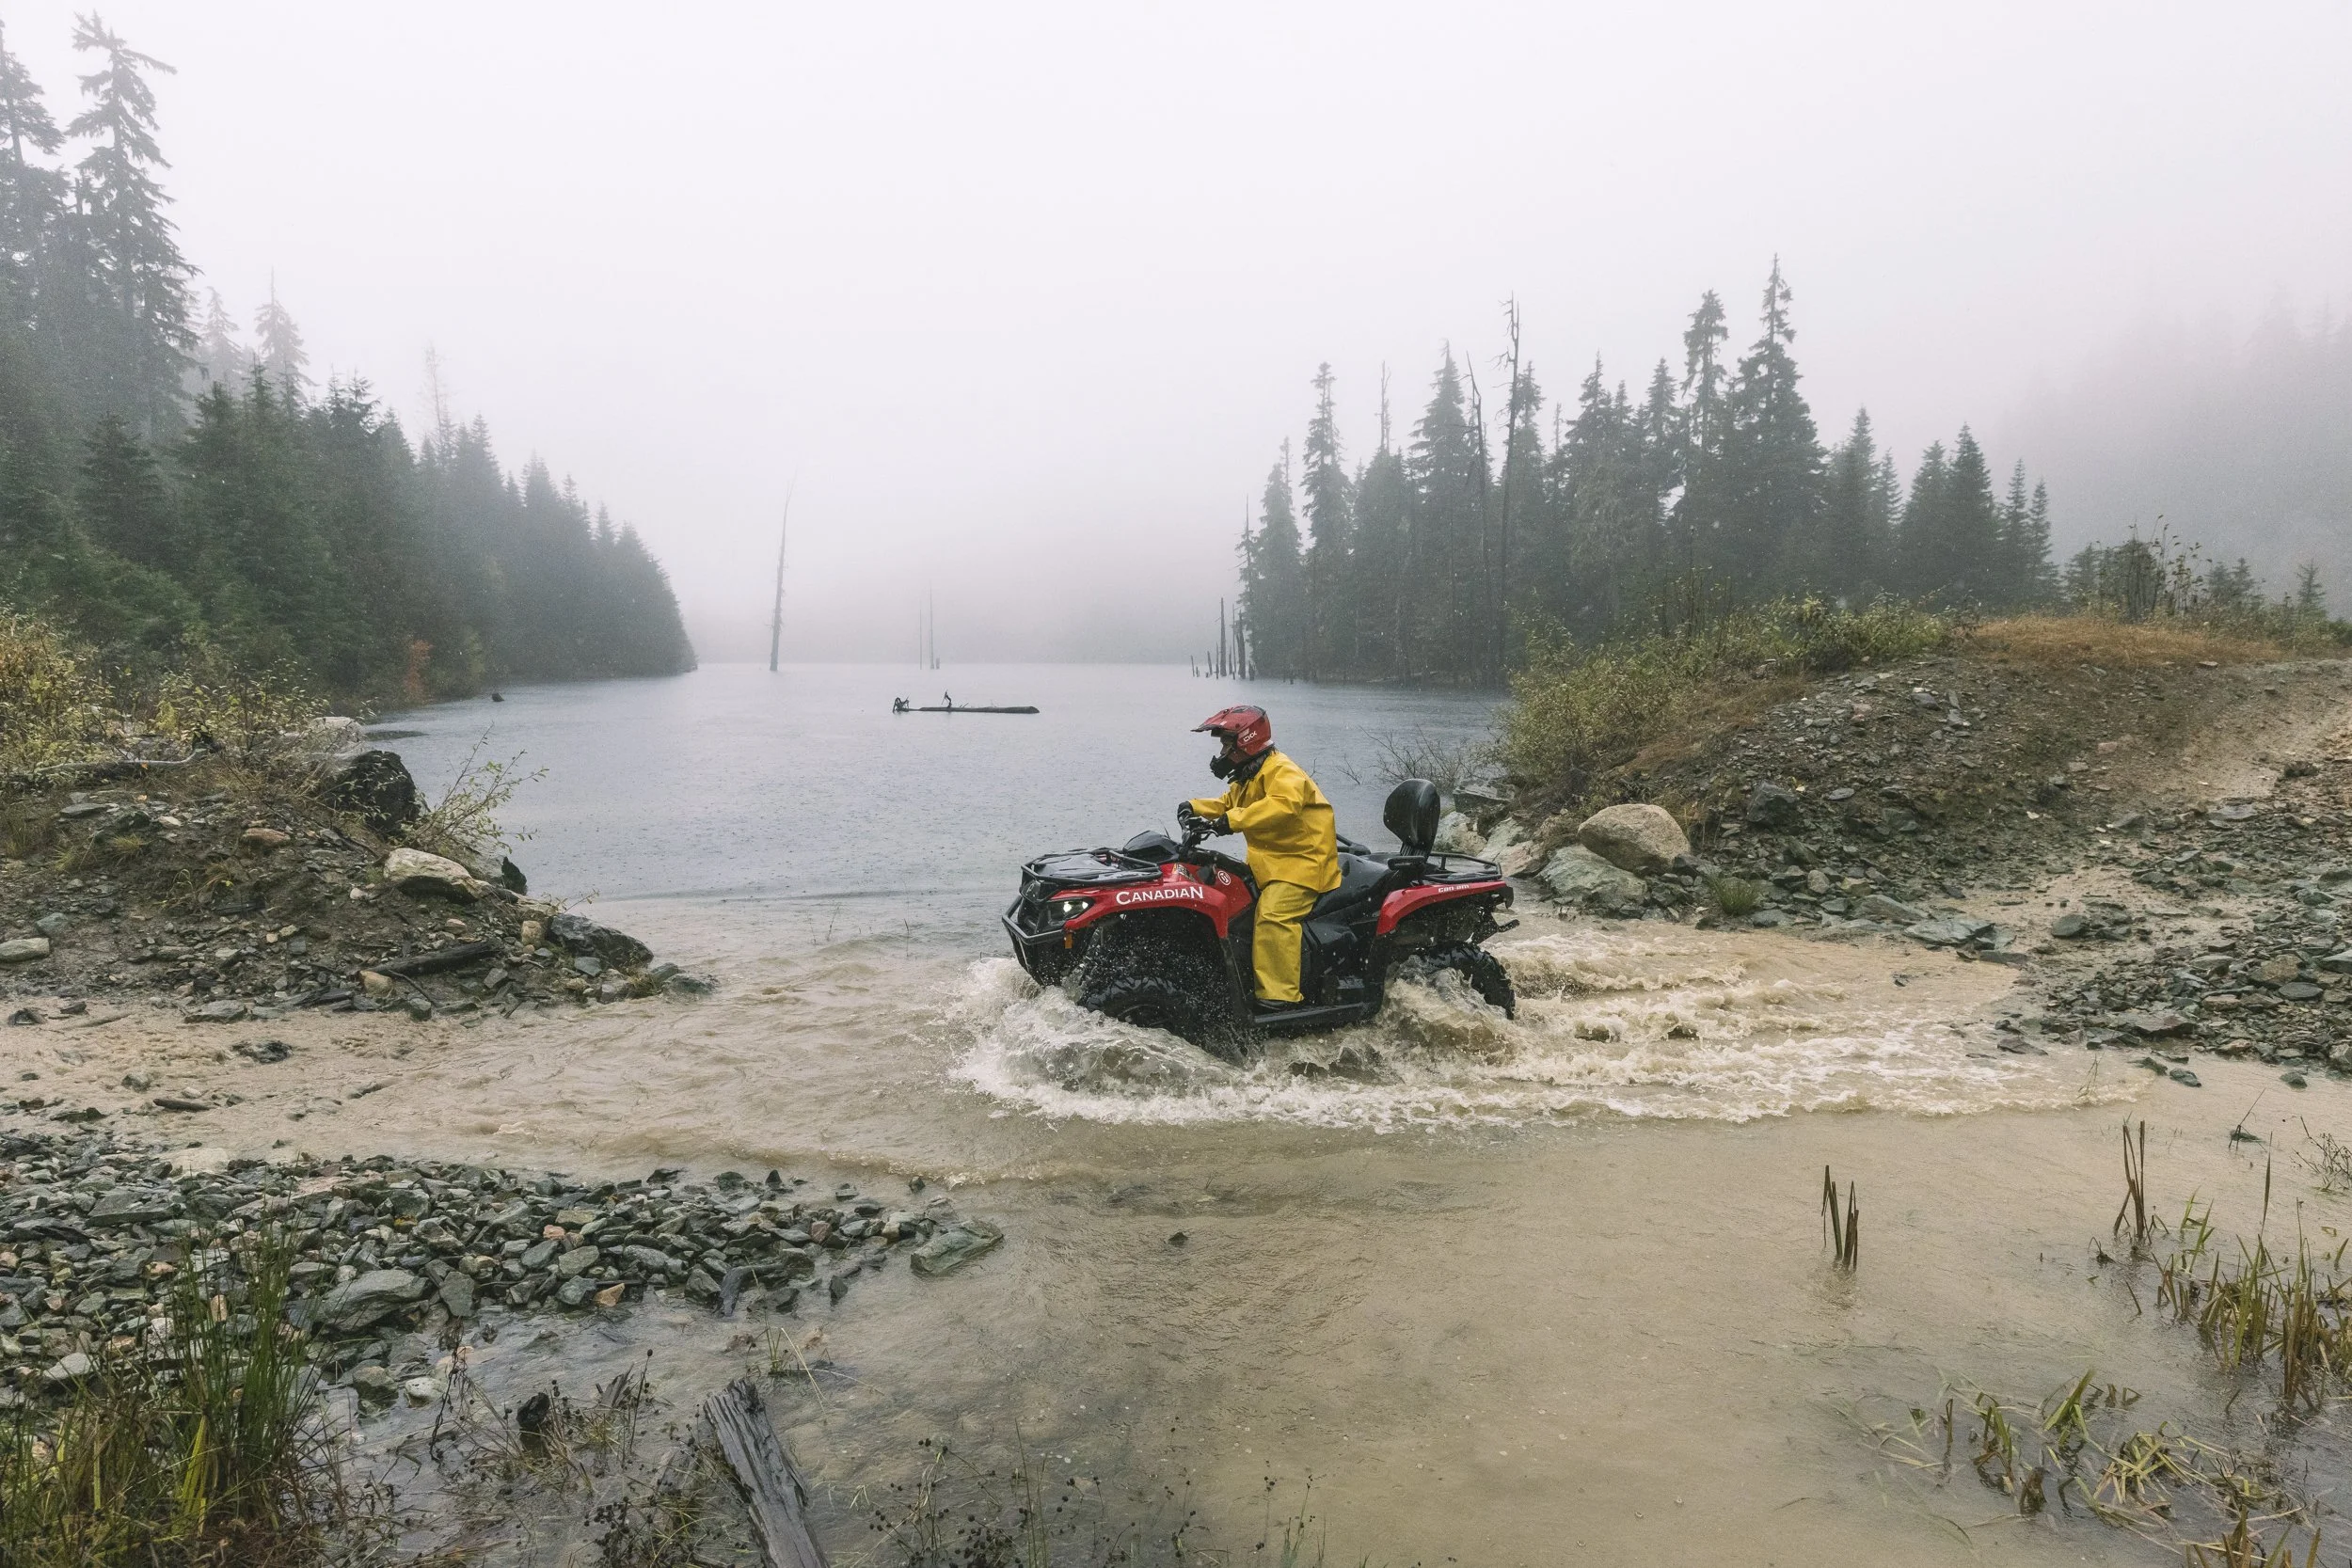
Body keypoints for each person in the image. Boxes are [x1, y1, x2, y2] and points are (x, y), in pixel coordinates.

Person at [1179, 705, 1338, 1008]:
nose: (1222, 753)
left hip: (1303, 864)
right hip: (1273, 862)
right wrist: (1194, 807)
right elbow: (1228, 803)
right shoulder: (1251, 774)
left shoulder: (1282, 771)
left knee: (1273, 916)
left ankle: (1280, 997)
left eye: (1226, 744)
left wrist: (1229, 822)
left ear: (1245, 742)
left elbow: (1281, 806)